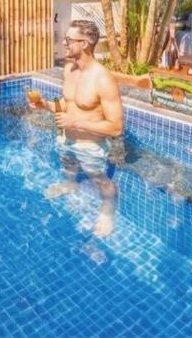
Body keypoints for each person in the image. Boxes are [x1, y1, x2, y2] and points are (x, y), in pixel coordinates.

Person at [28, 20, 124, 238]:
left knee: (100, 180)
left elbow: (116, 127)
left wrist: (76, 123)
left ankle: (108, 210)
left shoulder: (103, 79)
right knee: (68, 165)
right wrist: (45, 105)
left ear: (85, 43)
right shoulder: (69, 70)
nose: (64, 43)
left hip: (90, 145)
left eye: (69, 39)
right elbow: (67, 104)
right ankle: (70, 185)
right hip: (66, 139)